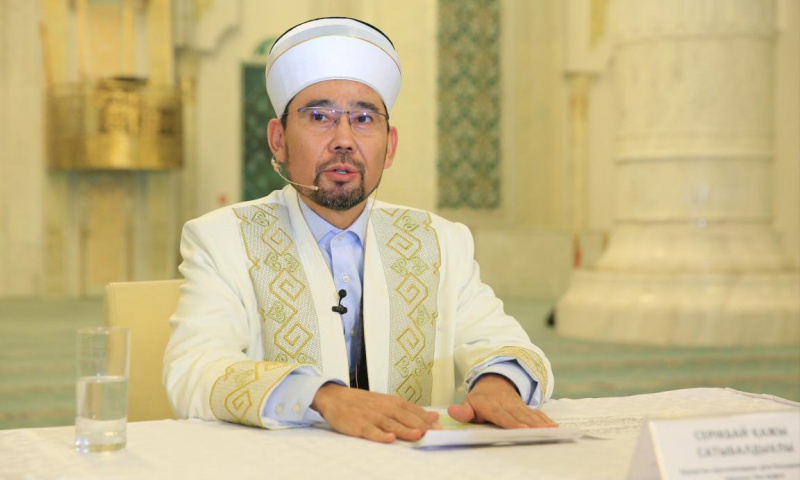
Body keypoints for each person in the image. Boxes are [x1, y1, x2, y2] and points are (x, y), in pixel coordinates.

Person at [163, 17, 556, 444]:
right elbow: (192, 369)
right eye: (319, 116)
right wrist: (323, 397)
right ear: (278, 140)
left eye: (364, 119)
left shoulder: (439, 241)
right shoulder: (223, 240)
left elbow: (502, 341)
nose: (344, 140)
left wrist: (498, 384)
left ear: (390, 146)